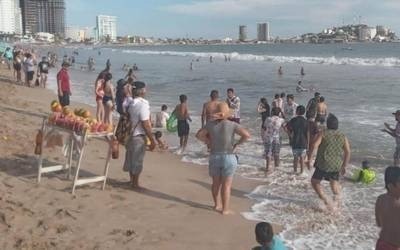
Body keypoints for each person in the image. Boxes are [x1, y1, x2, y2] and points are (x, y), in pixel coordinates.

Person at [196, 102, 250, 215]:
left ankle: (217, 205)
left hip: (215, 155)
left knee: (216, 183)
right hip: (229, 156)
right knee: (226, 185)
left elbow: (199, 135)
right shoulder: (232, 124)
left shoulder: (210, 125)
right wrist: (237, 144)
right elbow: (246, 135)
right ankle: (225, 209)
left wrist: (208, 141)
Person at [308, 114, 351, 210]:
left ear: (328, 124)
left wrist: (309, 159)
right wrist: (344, 166)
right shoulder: (342, 136)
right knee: (334, 183)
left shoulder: (323, 133)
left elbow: (314, 145)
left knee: (314, 181)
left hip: (323, 163)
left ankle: (325, 199)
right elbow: (348, 151)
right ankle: (337, 204)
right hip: (336, 164)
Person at [123, 81, 156, 189]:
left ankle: (131, 180)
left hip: (130, 134)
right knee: (137, 160)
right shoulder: (143, 104)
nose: (146, 90)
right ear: (141, 91)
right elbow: (145, 124)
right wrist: (152, 140)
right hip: (138, 135)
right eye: (144, 89)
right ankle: (135, 183)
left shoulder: (131, 103)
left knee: (130, 158)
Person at [375, 166, 400, 250]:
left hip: (382, 243)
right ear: (390, 185)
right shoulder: (398, 203)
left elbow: (379, 223)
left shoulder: (380, 199)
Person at [262, 107, 286, 174]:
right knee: (276, 153)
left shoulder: (268, 119)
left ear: (272, 112)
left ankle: (267, 168)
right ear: (279, 113)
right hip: (276, 138)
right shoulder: (281, 120)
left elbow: (264, 128)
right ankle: (276, 167)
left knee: (268, 153)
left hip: (268, 138)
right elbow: (285, 128)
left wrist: (263, 137)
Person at [287, 106, 309, 174]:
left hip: (295, 141)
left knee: (295, 158)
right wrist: (308, 143)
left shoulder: (293, 120)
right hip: (303, 142)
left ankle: (295, 171)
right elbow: (308, 133)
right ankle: (302, 172)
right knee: (302, 158)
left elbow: (287, 128)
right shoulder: (306, 121)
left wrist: (290, 136)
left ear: (297, 111)